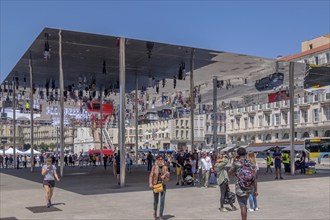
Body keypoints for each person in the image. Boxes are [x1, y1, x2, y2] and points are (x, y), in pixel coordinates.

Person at [229, 147, 258, 220]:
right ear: (245, 154)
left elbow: (230, 173)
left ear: (238, 154)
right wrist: (255, 190)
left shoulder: (236, 163)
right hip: (249, 187)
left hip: (240, 188)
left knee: (243, 206)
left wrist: (234, 162)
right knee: (245, 205)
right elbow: (254, 178)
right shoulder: (250, 163)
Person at [149, 155, 169, 220]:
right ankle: (155, 210)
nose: (160, 160)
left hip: (163, 185)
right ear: (156, 160)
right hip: (156, 185)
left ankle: (160, 215)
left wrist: (165, 177)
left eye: (161, 159)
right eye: (159, 159)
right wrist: (150, 183)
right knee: (156, 201)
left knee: (162, 201)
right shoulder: (154, 167)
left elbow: (168, 178)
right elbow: (151, 176)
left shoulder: (165, 167)